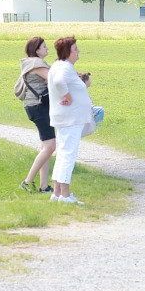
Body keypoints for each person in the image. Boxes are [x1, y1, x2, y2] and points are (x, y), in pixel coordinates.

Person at [47, 36, 93, 205]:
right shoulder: (64, 67)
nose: (78, 51)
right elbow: (59, 82)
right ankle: (65, 195)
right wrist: (66, 95)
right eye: (75, 49)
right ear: (67, 52)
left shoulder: (59, 66)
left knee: (62, 154)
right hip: (70, 118)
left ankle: (57, 192)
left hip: (65, 117)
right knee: (68, 155)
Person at [18, 37, 56, 194]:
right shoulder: (37, 64)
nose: (47, 49)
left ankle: (43, 185)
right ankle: (27, 182)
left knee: (45, 147)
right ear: (37, 50)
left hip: (35, 107)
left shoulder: (31, 63)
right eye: (44, 47)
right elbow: (55, 78)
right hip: (39, 107)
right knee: (50, 146)